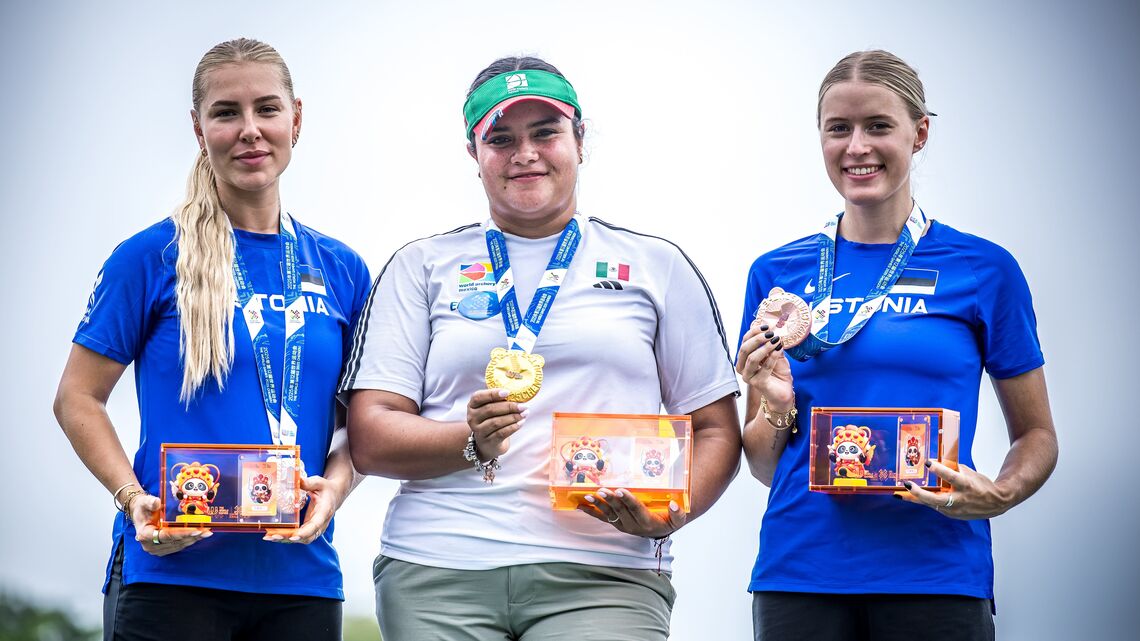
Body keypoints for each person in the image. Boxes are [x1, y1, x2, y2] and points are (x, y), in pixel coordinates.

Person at [341, 56, 741, 641]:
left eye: (545, 132)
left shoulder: (658, 265)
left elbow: (714, 428)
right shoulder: (420, 265)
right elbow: (372, 435)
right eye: (500, 139)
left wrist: (669, 513)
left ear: (580, 140)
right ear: (474, 154)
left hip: (606, 573)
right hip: (439, 566)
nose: (524, 153)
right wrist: (469, 441)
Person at [53, 38, 371, 640]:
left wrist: (337, 484)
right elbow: (77, 398)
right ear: (199, 130)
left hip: (301, 581)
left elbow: (363, 419)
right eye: (226, 113)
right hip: (172, 575)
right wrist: (131, 499)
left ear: (296, 120)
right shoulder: (150, 256)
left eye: (267, 109)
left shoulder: (342, 269)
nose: (250, 130)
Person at [736, 50, 1058, 641]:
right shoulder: (777, 274)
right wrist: (777, 403)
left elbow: (1037, 435)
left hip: (936, 571)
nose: (856, 147)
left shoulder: (983, 269)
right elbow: (761, 463)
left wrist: (1002, 492)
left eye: (878, 126)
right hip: (799, 572)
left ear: (920, 133)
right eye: (839, 129)